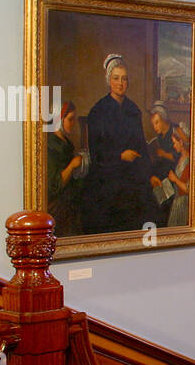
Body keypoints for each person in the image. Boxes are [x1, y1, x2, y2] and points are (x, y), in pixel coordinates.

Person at [81, 54, 150, 235]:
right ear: (109, 81)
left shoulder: (133, 110)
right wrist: (120, 156)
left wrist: (147, 171)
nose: (121, 83)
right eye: (116, 78)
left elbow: (141, 146)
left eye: (124, 79)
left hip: (132, 176)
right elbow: (96, 153)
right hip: (107, 177)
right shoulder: (98, 111)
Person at [46, 101, 87, 237]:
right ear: (59, 120)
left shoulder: (66, 143)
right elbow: (53, 186)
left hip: (71, 202)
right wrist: (72, 165)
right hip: (59, 207)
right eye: (70, 119)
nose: (73, 123)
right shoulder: (50, 146)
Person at [146, 101, 180, 224]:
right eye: (153, 124)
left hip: (175, 175)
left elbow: (179, 157)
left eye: (157, 123)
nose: (155, 127)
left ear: (164, 119)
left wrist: (163, 154)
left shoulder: (176, 132)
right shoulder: (159, 137)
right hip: (162, 176)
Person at [165, 124, 191, 228]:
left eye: (175, 143)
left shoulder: (190, 162)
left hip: (184, 205)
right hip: (177, 203)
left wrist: (175, 179)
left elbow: (189, 189)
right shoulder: (180, 158)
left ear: (181, 142)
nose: (173, 145)